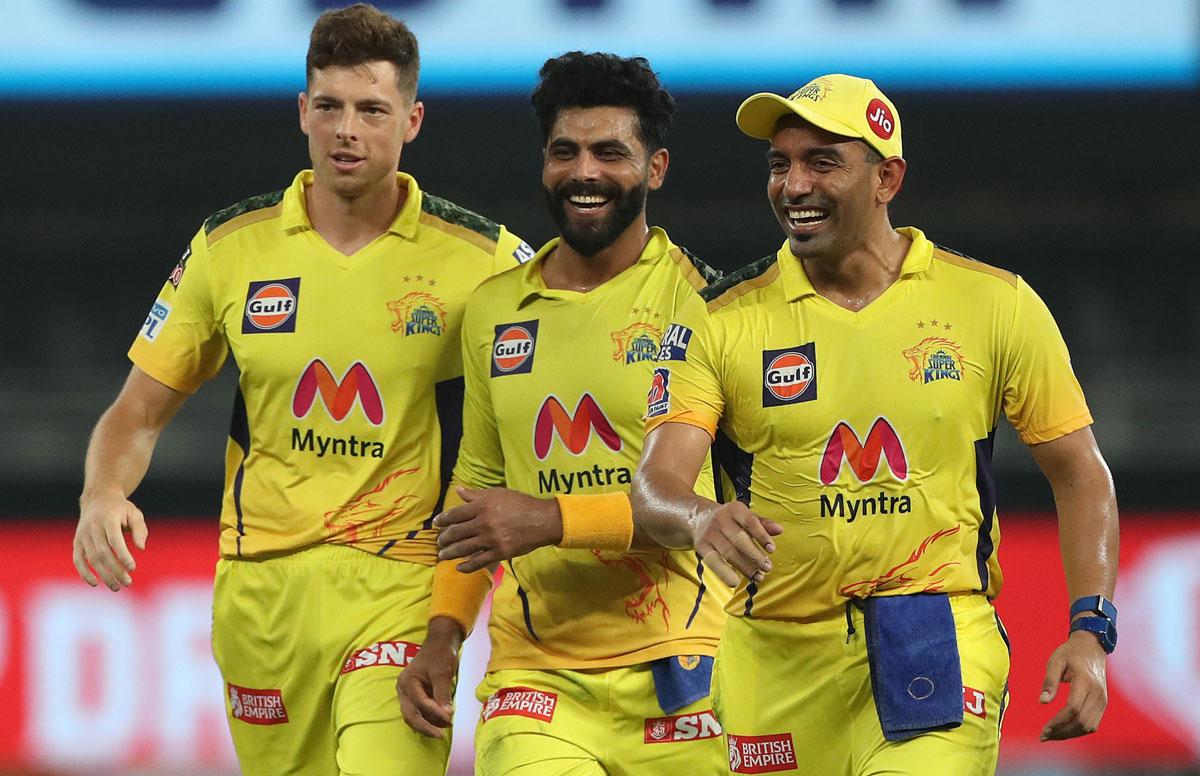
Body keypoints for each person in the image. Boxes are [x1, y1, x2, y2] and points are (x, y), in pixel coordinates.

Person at [71, 4, 530, 774]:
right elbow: (138, 412)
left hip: (401, 580)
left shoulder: (485, 259)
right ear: (302, 113)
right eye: (330, 107)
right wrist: (102, 494)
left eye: (371, 110)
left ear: (412, 120)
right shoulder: (228, 249)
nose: (347, 129)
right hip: (262, 594)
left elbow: (573, 348)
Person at [630, 73, 1120, 775]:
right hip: (773, 656)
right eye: (780, 164)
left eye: (821, 162)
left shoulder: (994, 304)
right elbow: (655, 485)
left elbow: (1080, 473)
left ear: (887, 177)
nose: (793, 184)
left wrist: (1091, 628)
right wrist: (698, 514)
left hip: (936, 639)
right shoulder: (717, 318)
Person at [397, 51, 730, 776]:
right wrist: (443, 635)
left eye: (610, 152)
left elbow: (696, 508)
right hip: (533, 680)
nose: (585, 172)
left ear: (657, 167)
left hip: (686, 669)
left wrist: (548, 519)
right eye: (565, 151)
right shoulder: (493, 310)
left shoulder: (706, 305)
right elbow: (477, 486)